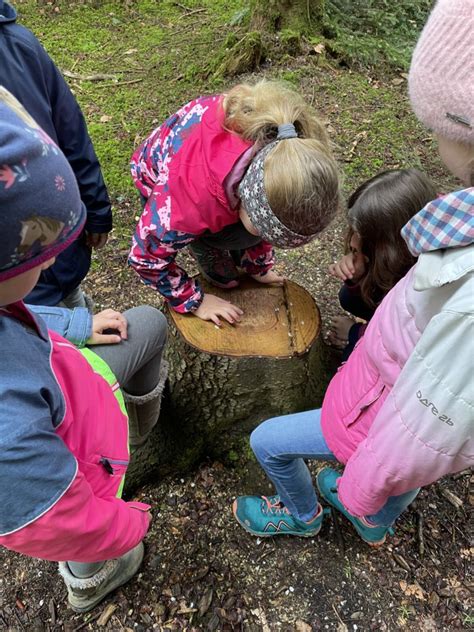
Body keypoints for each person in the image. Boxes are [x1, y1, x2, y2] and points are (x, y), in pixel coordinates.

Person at [232, 0, 473, 544]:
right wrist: (356, 299)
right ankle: (378, 520)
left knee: (267, 441)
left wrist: (358, 488)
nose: (349, 250)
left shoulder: (455, 291)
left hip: (363, 417)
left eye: (358, 247)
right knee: (405, 476)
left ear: (386, 253)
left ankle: (304, 514)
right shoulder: (441, 248)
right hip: (384, 414)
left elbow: (419, 424)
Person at [0, 89, 168, 613]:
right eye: (39, 249)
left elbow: (18, 318)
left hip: (79, 391)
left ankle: (138, 430)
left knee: (148, 325)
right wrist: (128, 524)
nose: (51, 264)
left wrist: (74, 324)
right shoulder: (7, 436)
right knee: (90, 541)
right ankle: (88, 580)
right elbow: (56, 518)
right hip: (81, 470)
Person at [129, 80, 341, 326]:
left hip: (215, 173)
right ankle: (204, 243)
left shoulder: (284, 153)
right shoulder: (185, 203)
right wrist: (193, 300)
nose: (266, 239)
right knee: (237, 236)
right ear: (245, 198)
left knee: (250, 232)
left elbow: (269, 211)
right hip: (163, 177)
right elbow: (144, 256)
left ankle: (238, 245)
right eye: (265, 233)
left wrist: (258, 265)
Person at [0, 0, 112, 308]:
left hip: (62, 251)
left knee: (75, 303)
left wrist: (96, 208)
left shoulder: (18, 43)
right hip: (17, 294)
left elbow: (70, 129)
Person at [328, 169, 437, 360]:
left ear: (391, 247)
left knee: (352, 356)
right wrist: (357, 276)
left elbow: (400, 341)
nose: (352, 243)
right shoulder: (399, 257)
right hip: (387, 300)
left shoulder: (419, 287)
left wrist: (354, 333)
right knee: (348, 296)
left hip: (407, 349)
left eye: (361, 237)